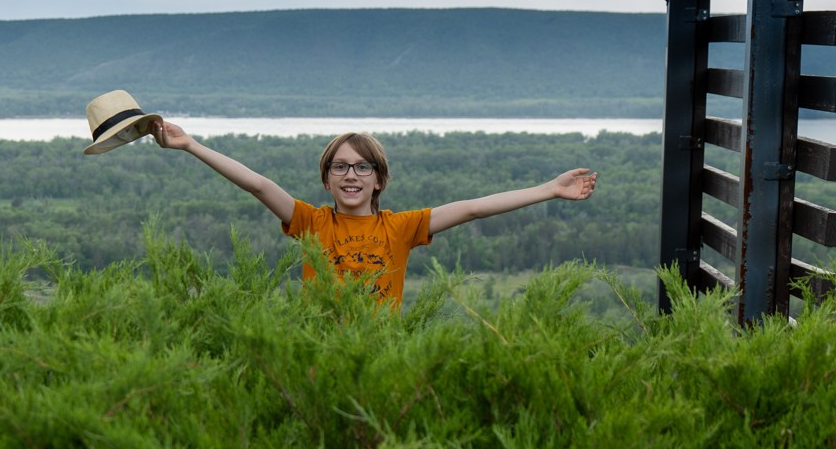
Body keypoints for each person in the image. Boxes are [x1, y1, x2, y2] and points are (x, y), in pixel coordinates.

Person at [152, 120, 597, 306]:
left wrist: (548, 189)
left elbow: (472, 209)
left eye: (363, 166)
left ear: (379, 179)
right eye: (340, 166)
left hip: (382, 357)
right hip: (317, 356)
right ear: (326, 179)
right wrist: (190, 145)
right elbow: (258, 184)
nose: (352, 175)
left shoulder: (401, 228)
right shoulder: (311, 222)